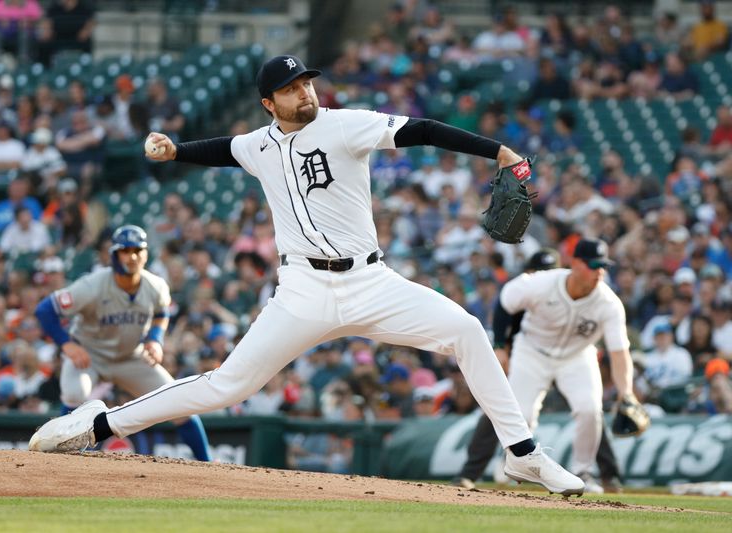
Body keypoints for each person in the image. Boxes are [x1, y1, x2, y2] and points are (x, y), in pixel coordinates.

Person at [29, 55, 584, 495]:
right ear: (269, 102)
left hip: (371, 283)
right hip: (302, 292)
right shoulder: (258, 144)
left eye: (309, 84)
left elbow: (421, 129)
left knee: (465, 331)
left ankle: (523, 454)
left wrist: (497, 152)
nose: (307, 93)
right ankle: (98, 427)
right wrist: (174, 151)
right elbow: (223, 149)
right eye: (293, 88)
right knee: (228, 385)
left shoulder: (347, 126)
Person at [32, 224, 211, 461]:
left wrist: (155, 339)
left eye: (138, 250)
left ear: (146, 254)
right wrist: (67, 344)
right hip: (90, 354)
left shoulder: (155, 285)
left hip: (131, 356)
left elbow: (161, 312)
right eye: (126, 251)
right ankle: (56, 460)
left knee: (177, 401)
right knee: (76, 394)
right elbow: (45, 310)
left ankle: (207, 461)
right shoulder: (92, 285)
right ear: (114, 255)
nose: (132, 256)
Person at [456, 248, 625, 493]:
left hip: (574, 355)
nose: (541, 274)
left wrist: (625, 391)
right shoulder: (531, 288)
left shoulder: (601, 299)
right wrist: (501, 347)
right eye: (537, 270)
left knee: (589, 410)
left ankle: (597, 473)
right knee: (514, 410)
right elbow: (505, 308)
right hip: (530, 351)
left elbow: (619, 350)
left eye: (548, 269)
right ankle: (476, 470)